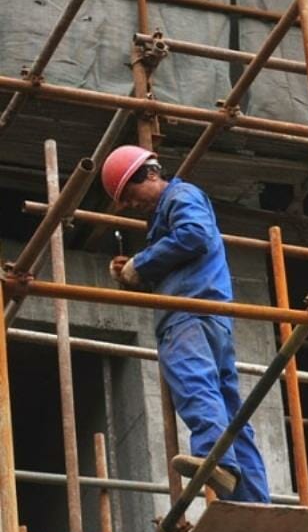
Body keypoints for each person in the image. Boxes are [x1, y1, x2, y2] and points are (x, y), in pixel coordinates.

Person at [102, 145, 270, 503]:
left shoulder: (181, 195)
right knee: (229, 411)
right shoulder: (173, 208)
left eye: (131, 196)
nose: (132, 206)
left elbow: (193, 236)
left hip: (187, 314)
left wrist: (143, 263)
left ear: (150, 174)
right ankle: (253, 503)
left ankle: (216, 460)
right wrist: (136, 272)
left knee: (196, 386)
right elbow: (187, 252)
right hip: (210, 314)